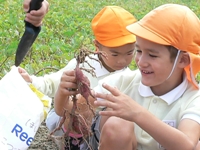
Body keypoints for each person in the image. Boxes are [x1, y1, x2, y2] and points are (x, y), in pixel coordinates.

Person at [54, 3, 200, 150]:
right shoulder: (122, 82)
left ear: (182, 60)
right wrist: (64, 92)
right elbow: (69, 115)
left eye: (152, 55)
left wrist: (137, 113)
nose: (141, 62)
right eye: (139, 51)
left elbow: (186, 145)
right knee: (117, 124)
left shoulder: (193, 97)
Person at [19, 6, 137, 150]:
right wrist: (31, 81)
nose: (122, 61)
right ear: (97, 46)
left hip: (96, 128)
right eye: (115, 54)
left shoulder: (128, 77)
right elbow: (53, 83)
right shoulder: (84, 65)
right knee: (76, 112)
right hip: (67, 121)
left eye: (130, 53)